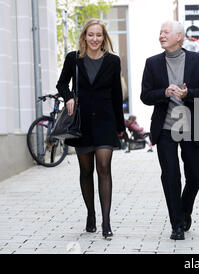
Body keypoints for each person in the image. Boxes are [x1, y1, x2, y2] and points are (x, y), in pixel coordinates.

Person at [140, 20, 199, 240]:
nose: (161, 35)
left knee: (196, 175)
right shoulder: (152, 63)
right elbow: (145, 95)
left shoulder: (198, 61)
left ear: (179, 36)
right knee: (171, 175)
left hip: (190, 125)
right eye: (160, 32)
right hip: (165, 128)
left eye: (166, 32)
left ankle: (184, 209)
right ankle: (177, 225)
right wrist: (164, 92)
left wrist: (187, 94)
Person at [56, 18, 125, 239]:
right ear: (85, 36)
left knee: (104, 167)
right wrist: (68, 98)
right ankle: (91, 214)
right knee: (86, 171)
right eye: (91, 35)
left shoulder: (113, 61)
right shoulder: (73, 59)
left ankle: (106, 221)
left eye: (99, 35)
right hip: (82, 122)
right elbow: (61, 83)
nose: (94, 39)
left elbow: (116, 94)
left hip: (105, 121)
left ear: (104, 38)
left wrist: (120, 127)